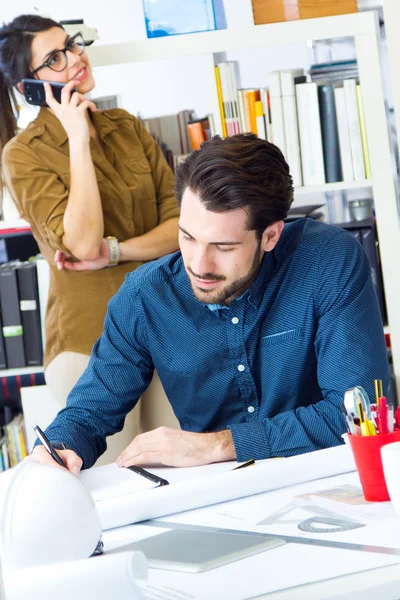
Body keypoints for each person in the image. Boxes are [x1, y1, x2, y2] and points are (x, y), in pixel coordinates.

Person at [29, 133, 389, 473]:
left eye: (223, 246)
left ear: (270, 235)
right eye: (187, 237)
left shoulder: (328, 261)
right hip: (214, 500)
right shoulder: (144, 297)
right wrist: (60, 448)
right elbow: (89, 411)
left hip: (328, 481)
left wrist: (218, 445)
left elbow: (359, 414)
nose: (199, 265)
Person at [0, 16, 179, 427]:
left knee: (181, 471)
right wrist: (77, 138)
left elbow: (181, 228)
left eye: (73, 45)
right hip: (91, 346)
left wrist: (114, 251)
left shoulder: (127, 127)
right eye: (55, 58)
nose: (76, 59)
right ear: (30, 85)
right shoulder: (23, 154)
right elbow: (81, 244)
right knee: (118, 486)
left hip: (166, 331)